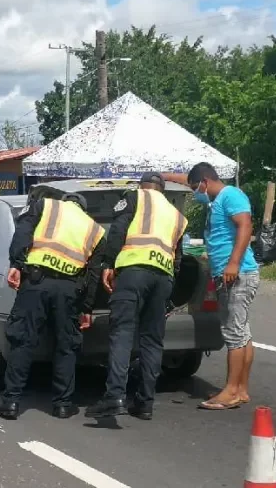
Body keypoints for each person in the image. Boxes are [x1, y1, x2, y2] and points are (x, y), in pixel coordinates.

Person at [0, 193, 106, 420]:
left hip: (36, 281)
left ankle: (11, 402)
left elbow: (23, 232)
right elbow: (94, 274)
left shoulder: (45, 206)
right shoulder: (95, 229)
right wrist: (87, 308)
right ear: (83, 208)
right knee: (66, 345)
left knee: (23, 340)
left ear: (65, 201)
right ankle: (63, 405)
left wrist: (16, 263)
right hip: (69, 289)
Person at [85, 172, 188, 421]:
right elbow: (178, 257)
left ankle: (115, 396)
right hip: (163, 277)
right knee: (152, 340)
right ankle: (144, 403)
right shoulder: (177, 215)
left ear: (142, 186)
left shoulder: (134, 197)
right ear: (162, 190)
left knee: (122, 332)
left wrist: (108, 264)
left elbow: (118, 230)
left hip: (133, 272)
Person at [187, 162, 259, 410]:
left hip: (237, 274)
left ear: (205, 181)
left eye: (196, 187)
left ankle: (230, 391)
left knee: (233, 334)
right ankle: (240, 389)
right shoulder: (216, 201)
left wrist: (233, 263)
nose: (196, 192)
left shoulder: (231, 195)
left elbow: (245, 225)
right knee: (242, 332)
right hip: (231, 273)